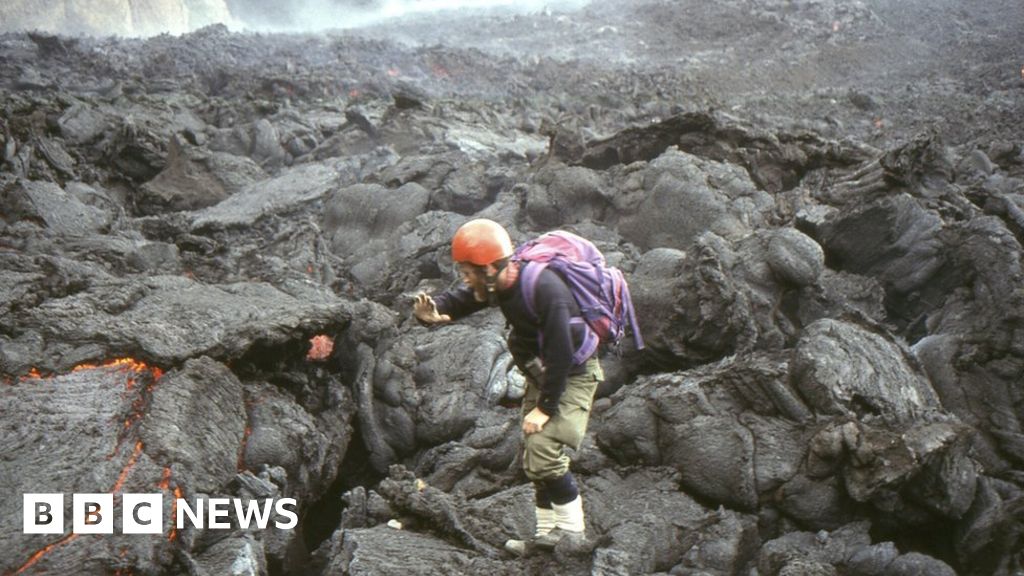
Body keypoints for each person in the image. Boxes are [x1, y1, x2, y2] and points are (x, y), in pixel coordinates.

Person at [413, 218, 604, 554]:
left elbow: (561, 354)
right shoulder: (499, 282)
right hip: (544, 370)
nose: (464, 277)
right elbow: (466, 298)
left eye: (467, 270)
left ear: (488, 267)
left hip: (573, 371)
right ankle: (546, 536)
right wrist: (437, 309)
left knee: (544, 450)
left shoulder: (545, 289)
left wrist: (545, 409)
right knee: (532, 450)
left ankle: (573, 536)